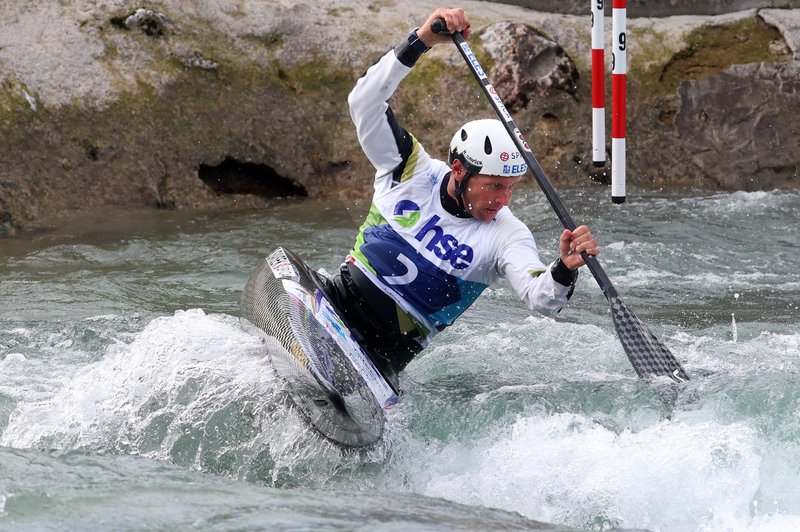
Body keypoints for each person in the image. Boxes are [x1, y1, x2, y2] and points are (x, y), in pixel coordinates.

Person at [322, 7, 599, 392]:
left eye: (511, 187)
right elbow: (364, 102)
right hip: (332, 305)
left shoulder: (507, 236)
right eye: (494, 186)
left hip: (383, 359)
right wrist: (419, 42)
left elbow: (541, 299)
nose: (503, 200)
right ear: (458, 170)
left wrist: (565, 269)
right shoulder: (408, 169)